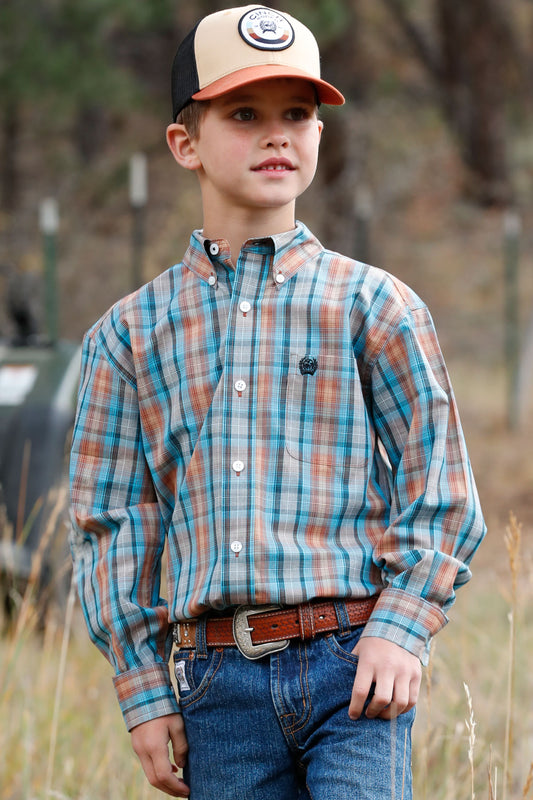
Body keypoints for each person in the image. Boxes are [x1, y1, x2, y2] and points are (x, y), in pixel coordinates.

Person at [69, 6, 486, 799]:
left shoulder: (374, 306)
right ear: (184, 143)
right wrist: (142, 690)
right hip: (214, 686)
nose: (277, 134)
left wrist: (400, 630)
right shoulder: (127, 336)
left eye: (297, 113)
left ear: (320, 133)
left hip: (353, 668)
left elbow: (441, 488)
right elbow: (111, 523)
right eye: (244, 114)